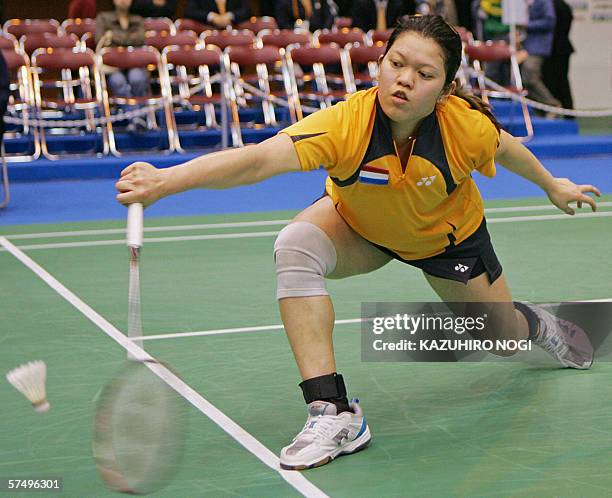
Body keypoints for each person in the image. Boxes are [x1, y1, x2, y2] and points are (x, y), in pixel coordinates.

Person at [116, 15, 599, 471]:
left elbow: (506, 148)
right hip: (362, 229)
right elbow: (258, 161)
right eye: (396, 64)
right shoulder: (347, 124)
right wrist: (166, 180)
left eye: (424, 73)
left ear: (446, 89)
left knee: (501, 339)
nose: (404, 80)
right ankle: (333, 410)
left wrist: (552, 183)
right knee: (296, 246)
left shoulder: (463, 128)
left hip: (446, 243)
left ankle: (536, 324)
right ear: (381, 64)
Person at [96, 0, 149, 129]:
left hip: (135, 64)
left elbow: (141, 38)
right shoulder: (103, 18)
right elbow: (99, 38)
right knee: (117, 81)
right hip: (113, 66)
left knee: (137, 78)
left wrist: (114, 37)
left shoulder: (138, 19)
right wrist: (129, 40)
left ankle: (137, 117)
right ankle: (136, 117)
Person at [520, 0, 562, 110]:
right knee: (523, 78)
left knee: (530, 75)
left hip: (537, 46)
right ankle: (539, 109)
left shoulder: (544, 2)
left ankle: (552, 105)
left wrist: (527, 24)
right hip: (522, 45)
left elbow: (549, 21)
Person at [542, 0, 574, 113]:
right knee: (562, 81)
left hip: (555, 50)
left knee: (557, 81)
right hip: (561, 48)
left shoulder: (553, 6)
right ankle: (567, 110)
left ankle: (561, 109)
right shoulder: (564, 6)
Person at [351, 0, 416, 33]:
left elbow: (401, 27)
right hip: (367, 42)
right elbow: (358, 28)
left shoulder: (400, 3)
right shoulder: (360, 3)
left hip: (391, 41)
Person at [184, 0, 250, 29]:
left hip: (234, 33)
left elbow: (247, 11)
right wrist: (211, 16)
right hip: (208, 32)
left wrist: (230, 16)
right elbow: (189, 12)